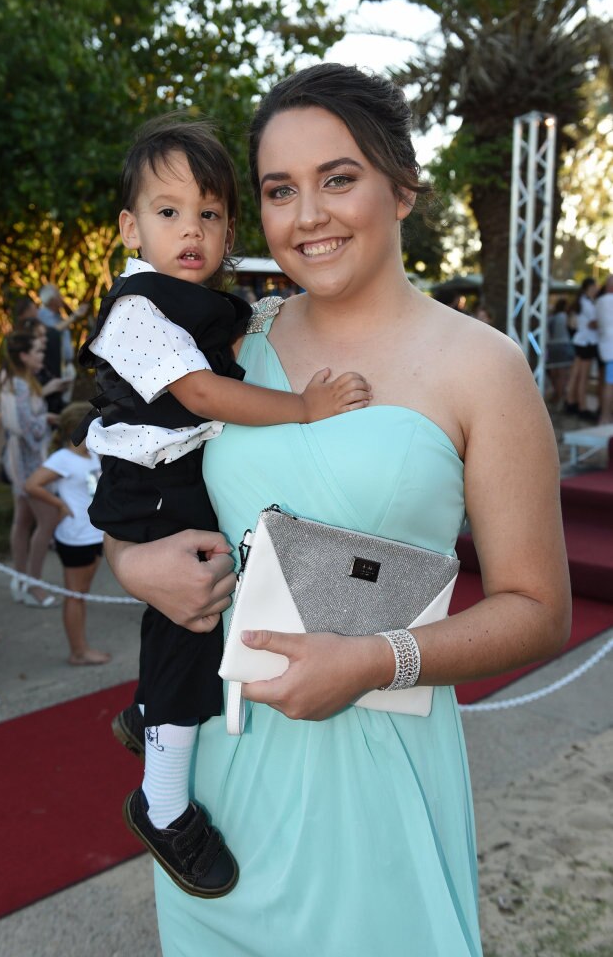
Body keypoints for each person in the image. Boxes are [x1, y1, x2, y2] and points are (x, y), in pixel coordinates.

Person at [103, 64, 571, 957]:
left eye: (338, 178)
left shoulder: (484, 368)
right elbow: (139, 475)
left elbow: (536, 610)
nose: (307, 215)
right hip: (224, 775)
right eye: (281, 190)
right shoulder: (231, 342)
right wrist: (133, 565)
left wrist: (370, 660)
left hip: (373, 772)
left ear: (400, 185)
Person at [78, 114, 371, 897]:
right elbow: (203, 393)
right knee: (188, 627)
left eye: (209, 214)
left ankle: (146, 714)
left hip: (173, 480)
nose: (192, 231)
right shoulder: (139, 307)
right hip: (151, 483)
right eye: (169, 212)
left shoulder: (199, 303)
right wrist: (304, 409)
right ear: (128, 227)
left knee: (190, 624)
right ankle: (163, 801)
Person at [24, 402, 109, 665]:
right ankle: (78, 651)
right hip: (76, 536)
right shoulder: (62, 458)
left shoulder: (92, 453)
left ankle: (81, 648)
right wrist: (60, 505)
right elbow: (32, 485)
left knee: (82, 592)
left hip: (94, 534)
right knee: (75, 594)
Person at [0, 330, 60, 607]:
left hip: (20, 460)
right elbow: (26, 428)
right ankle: (34, 585)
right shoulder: (21, 385)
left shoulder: (17, 381)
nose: (41, 355)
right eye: (36, 350)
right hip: (29, 462)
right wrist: (44, 420)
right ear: (23, 356)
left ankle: (20, 580)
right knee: (47, 520)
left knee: (23, 521)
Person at [565, 277, 599, 419]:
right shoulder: (587, 303)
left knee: (576, 374)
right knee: (583, 376)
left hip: (581, 341)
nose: (595, 290)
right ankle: (582, 406)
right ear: (588, 288)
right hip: (586, 342)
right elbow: (594, 323)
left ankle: (571, 401)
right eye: (593, 287)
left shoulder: (582, 302)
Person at [546, 297, 575, 404]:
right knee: (562, 374)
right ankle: (560, 397)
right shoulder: (565, 316)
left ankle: (556, 395)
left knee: (554, 374)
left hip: (552, 347)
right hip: (563, 346)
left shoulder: (551, 317)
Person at [595, 276, 613, 424]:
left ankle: (605, 414)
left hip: (605, 346)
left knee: (606, 382)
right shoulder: (610, 300)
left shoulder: (600, 301)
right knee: (609, 383)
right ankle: (606, 416)